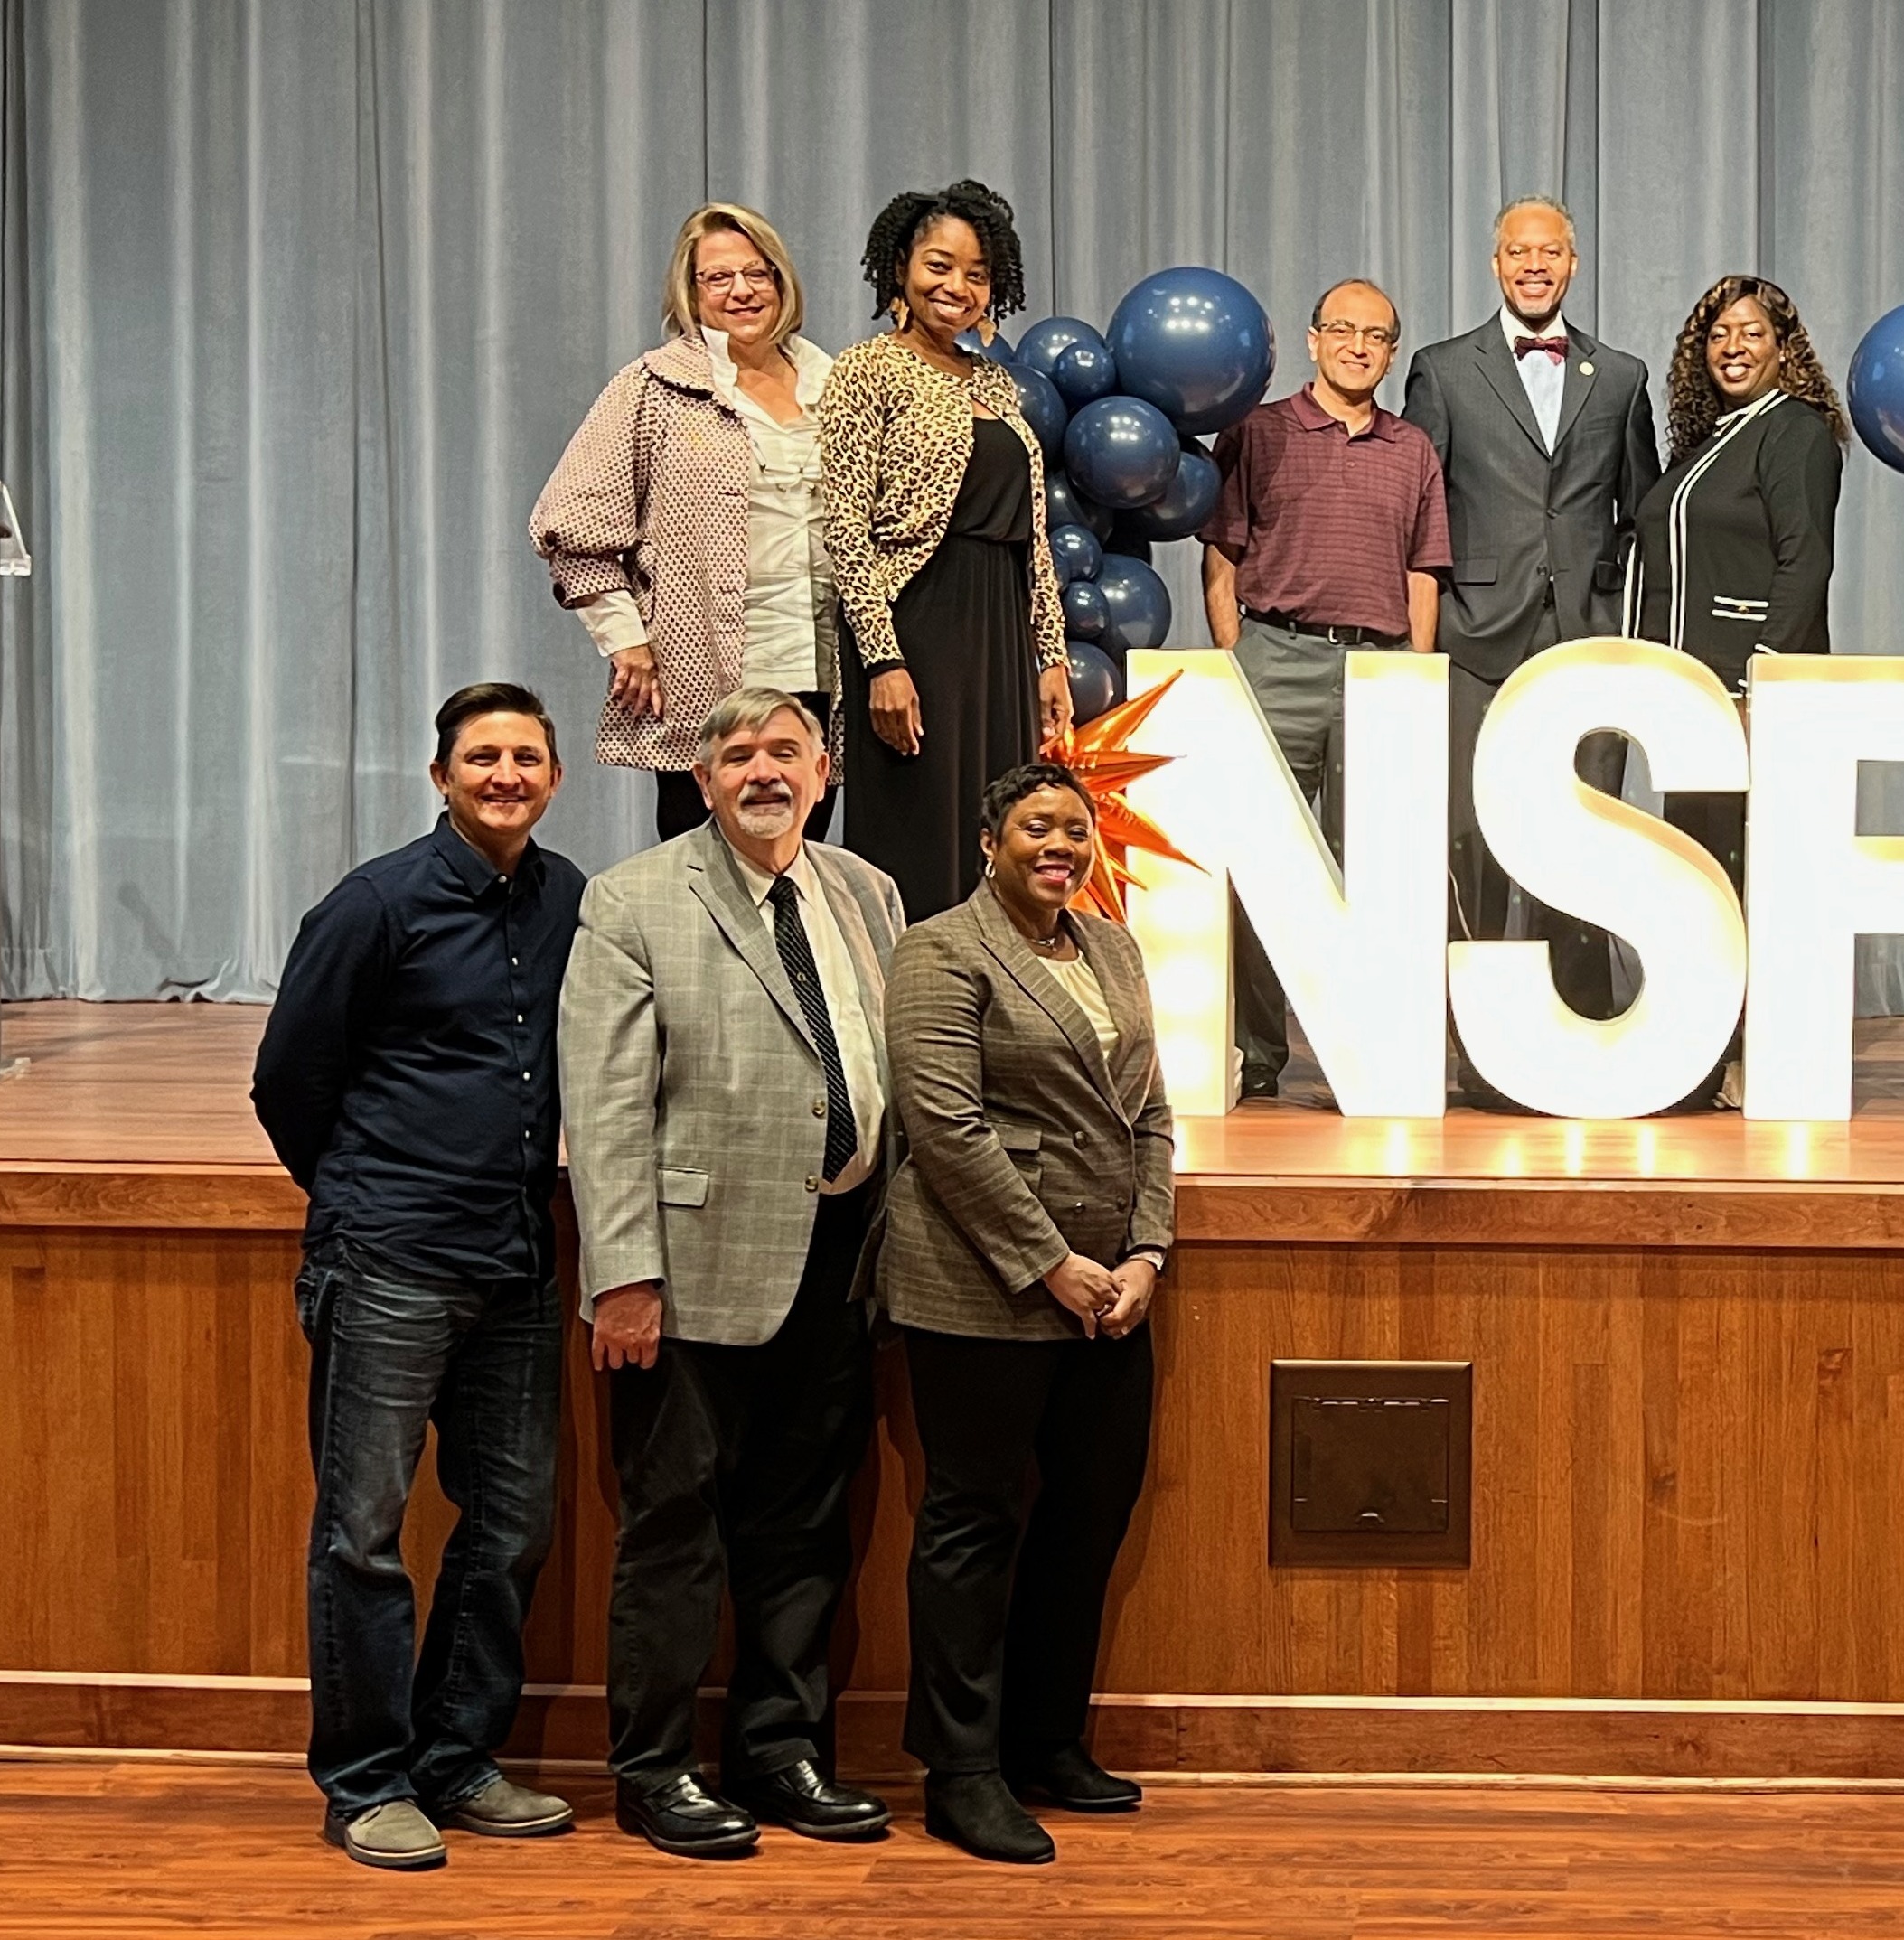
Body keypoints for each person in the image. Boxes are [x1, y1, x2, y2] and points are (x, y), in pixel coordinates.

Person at [558, 686, 905, 1860]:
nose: (764, 771)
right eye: (739, 754)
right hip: (689, 1271)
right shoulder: (635, 898)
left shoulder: (868, 892)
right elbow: (604, 1105)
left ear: (824, 771)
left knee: (804, 1524)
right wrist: (623, 1274)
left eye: (785, 752)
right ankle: (656, 1770)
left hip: (840, 1262)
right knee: (673, 1527)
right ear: (701, 781)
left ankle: (781, 1749)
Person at [252, 683, 586, 1870]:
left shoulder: (569, 901)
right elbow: (289, 1079)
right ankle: (365, 1779)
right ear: (440, 774)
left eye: (526, 755)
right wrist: (364, 1191)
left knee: (509, 1526)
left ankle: (456, 1757)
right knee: (362, 1531)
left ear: (554, 776)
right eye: (482, 755)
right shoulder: (374, 903)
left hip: (515, 1262)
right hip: (390, 1255)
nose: (505, 772)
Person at [874, 762, 1175, 1864]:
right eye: (1035, 826)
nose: (1060, 844)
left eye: (1074, 828)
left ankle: (1046, 1740)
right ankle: (961, 1770)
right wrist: (1052, 1263)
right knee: (972, 1524)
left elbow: (1152, 1114)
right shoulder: (940, 949)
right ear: (990, 839)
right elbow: (943, 1128)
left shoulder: (1113, 946)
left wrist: (1144, 1250)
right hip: (983, 1286)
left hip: (1111, 1293)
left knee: (1087, 1512)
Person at [1402, 197, 1662, 1039]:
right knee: (1471, 831)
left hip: (1586, 639)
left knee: (1585, 824)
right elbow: (1418, 507)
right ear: (1496, 263)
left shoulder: (1620, 377)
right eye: (1519, 252)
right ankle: (1465, 1024)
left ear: (1573, 264)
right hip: (1475, 632)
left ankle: (1582, 1017)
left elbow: (1642, 509)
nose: (1534, 265)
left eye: (1549, 252)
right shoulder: (1441, 370)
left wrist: (1616, 605)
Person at [1198, 276, 1453, 1100]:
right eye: (1341, 330)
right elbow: (1222, 560)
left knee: (1381, 868)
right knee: (1258, 866)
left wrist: (1415, 676)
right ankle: (1256, 1055)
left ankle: (1371, 1050)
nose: (1357, 346)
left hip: (1380, 669)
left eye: (1376, 335)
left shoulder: (1411, 448)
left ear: (1391, 351)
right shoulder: (1258, 432)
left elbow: (1423, 572)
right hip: (1278, 654)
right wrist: (1240, 658)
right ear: (1311, 340)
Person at [532, 203, 839, 840]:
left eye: (757, 274)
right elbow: (571, 526)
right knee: (700, 882)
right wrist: (625, 640)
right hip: (708, 683)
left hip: (818, 676)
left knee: (798, 865)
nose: (741, 291)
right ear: (690, 291)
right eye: (718, 278)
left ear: (782, 282)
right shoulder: (652, 387)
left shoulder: (833, 384)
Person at [817, 179, 1074, 926]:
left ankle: (993, 1014)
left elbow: (1033, 535)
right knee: (920, 835)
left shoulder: (995, 382)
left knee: (998, 829)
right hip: (916, 625)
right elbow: (846, 529)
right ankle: (912, 1017)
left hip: (997, 631)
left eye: (976, 272)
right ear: (899, 267)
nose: (956, 286)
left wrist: (1048, 654)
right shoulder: (867, 369)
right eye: (939, 264)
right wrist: (883, 661)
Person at [1624, 273, 1845, 1107]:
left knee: (1751, 874)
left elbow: (1806, 561)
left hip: (1746, 691)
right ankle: (1701, 1047)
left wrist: (1758, 674)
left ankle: (1759, 1051)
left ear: (1783, 348)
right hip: (1688, 693)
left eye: (1750, 333)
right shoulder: (1710, 440)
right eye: (1717, 336)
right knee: (1703, 869)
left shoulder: (1795, 432)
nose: (1732, 348)